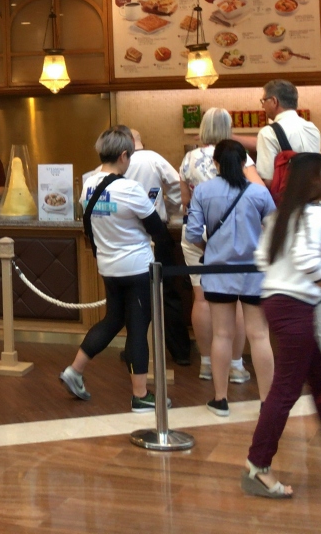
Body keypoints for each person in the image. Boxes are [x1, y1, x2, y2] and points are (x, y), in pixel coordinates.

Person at [242, 152, 321, 498]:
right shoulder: (316, 215)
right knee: (286, 390)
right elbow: (306, 258)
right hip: (295, 308)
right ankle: (257, 466)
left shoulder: (281, 216)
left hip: (280, 303)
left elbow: (263, 258)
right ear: (315, 180)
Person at [60, 127, 174, 412]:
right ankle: (140, 395)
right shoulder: (129, 189)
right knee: (137, 328)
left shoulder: (88, 184)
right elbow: (157, 229)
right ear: (123, 155)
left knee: (113, 320)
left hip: (108, 266)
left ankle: (75, 370)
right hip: (136, 267)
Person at [185, 140, 276, 418]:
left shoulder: (203, 190)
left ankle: (221, 399)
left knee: (222, 335)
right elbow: (275, 229)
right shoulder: (259, 192)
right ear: (244, 162)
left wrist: (210, 249)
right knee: (259, 335)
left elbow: (192, 233)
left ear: (216, 163)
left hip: (218, 272)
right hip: (254, 272)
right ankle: (267, 402)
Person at [179, 108, 264, 382]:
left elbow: (184, 201)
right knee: (234, 300)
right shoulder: (239, 155)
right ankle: (235, 365)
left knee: (201, 298)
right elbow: (258, 191)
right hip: (230, 232)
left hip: (197, 232)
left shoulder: (189, 158)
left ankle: (207, 363)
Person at [121, 127, 190, 365]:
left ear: (128, 141)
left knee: (133, 296)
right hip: (156, 231)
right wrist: (169, 211)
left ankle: (135, 350)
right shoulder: (153, 159)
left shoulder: (117, 163)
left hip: (126, 234)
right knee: (167, 291)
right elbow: (177, 186)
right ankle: (180, 352)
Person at [255, 80, 321, 185]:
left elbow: (267, 181)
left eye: (264, 101)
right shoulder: (312, 128)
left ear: (274, 101)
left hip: (287, 195)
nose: (263, 106)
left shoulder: (269, 132)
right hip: (312, 194)